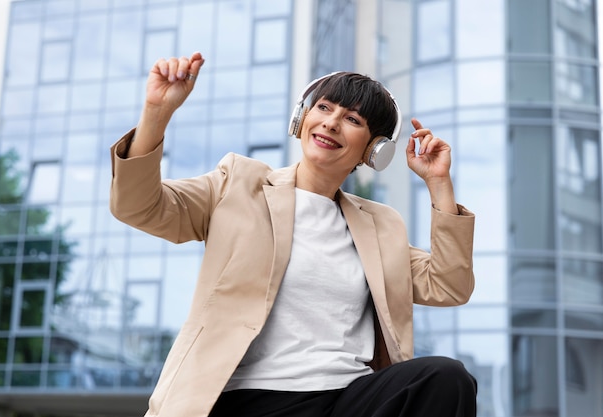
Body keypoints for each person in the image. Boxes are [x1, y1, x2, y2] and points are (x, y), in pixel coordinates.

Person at [110, 51, 477, 417]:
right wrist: (156, 114)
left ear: (374, 150)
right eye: (324, 108)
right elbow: (138, 206)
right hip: (250, 399)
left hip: (346, 397)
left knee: (446, 377)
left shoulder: (380, 225)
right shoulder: (238, 183)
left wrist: (439, 184)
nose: (331, 123)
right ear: (302, 117)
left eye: (351, 119)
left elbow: (448, 285)